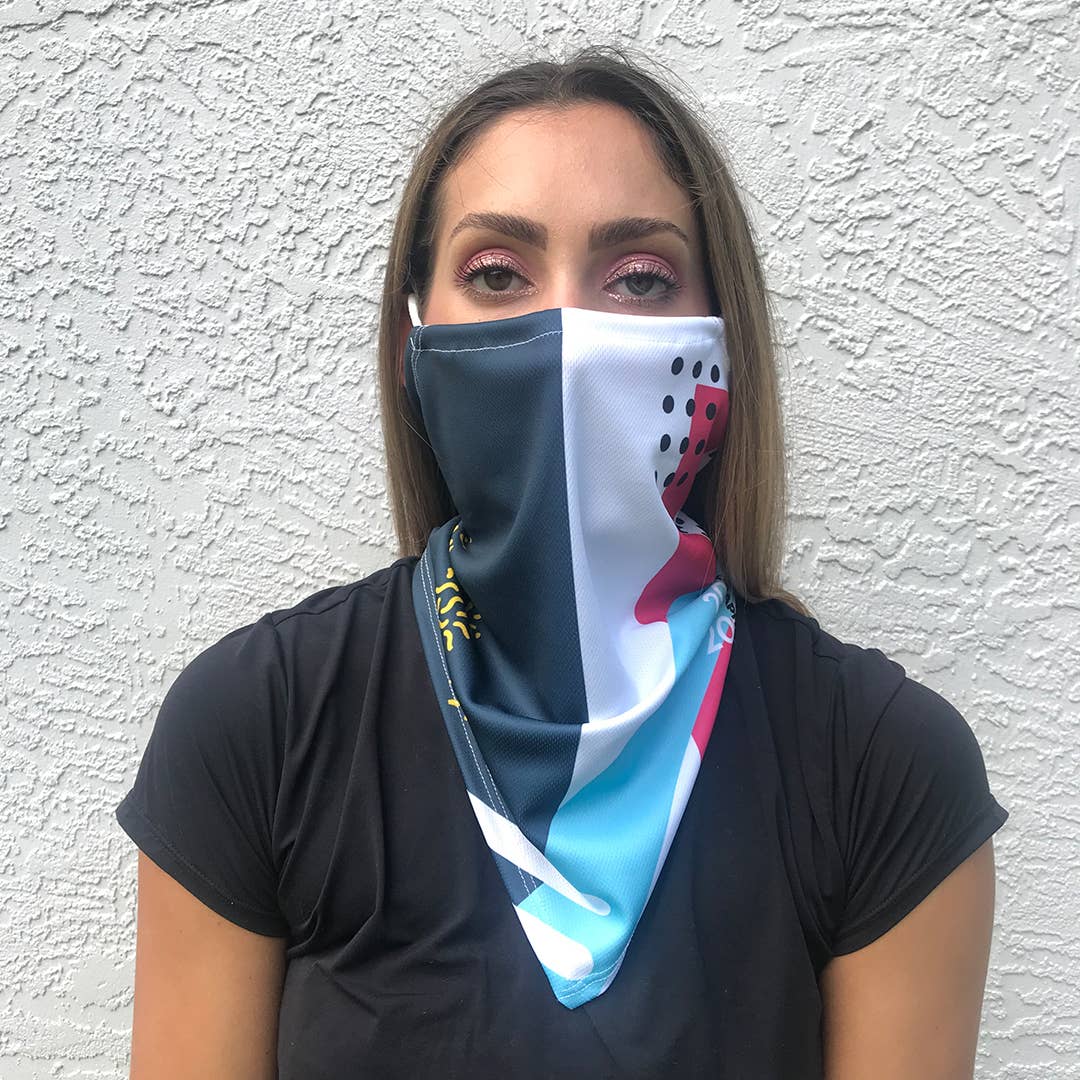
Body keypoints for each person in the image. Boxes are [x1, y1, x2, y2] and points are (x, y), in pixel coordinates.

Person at [115, 45, 1009, 1079]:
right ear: (414, 344)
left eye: (640, 279)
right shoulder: (259, 725)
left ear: (723, 343)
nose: (569, 335)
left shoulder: (884, 766)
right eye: (496, 274)